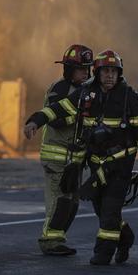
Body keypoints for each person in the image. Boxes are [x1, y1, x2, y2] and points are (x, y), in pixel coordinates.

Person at [23, 49, 138, 266]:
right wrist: (35, 121)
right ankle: (125, 237)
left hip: (120, 164)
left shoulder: (128, 96)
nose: (109, 76)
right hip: (95, 164)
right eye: (105, 72)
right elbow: (58, 109)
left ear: (119, 74)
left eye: (113, 71)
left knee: (111, 207)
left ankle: (103, 253)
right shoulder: (86, 93)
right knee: (101, 208)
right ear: (98, 73)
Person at [36, 44, 94, 256]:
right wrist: (80, 115)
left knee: (71, 203)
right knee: (58, 200)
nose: (86, 73)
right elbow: (56, 120)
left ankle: (58, 239)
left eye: (88, 69)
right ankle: (49, 241)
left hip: (75, 159)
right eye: (81, 69)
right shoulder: (59, 89)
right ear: (69, 70)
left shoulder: (87, 91)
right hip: (57, 156)